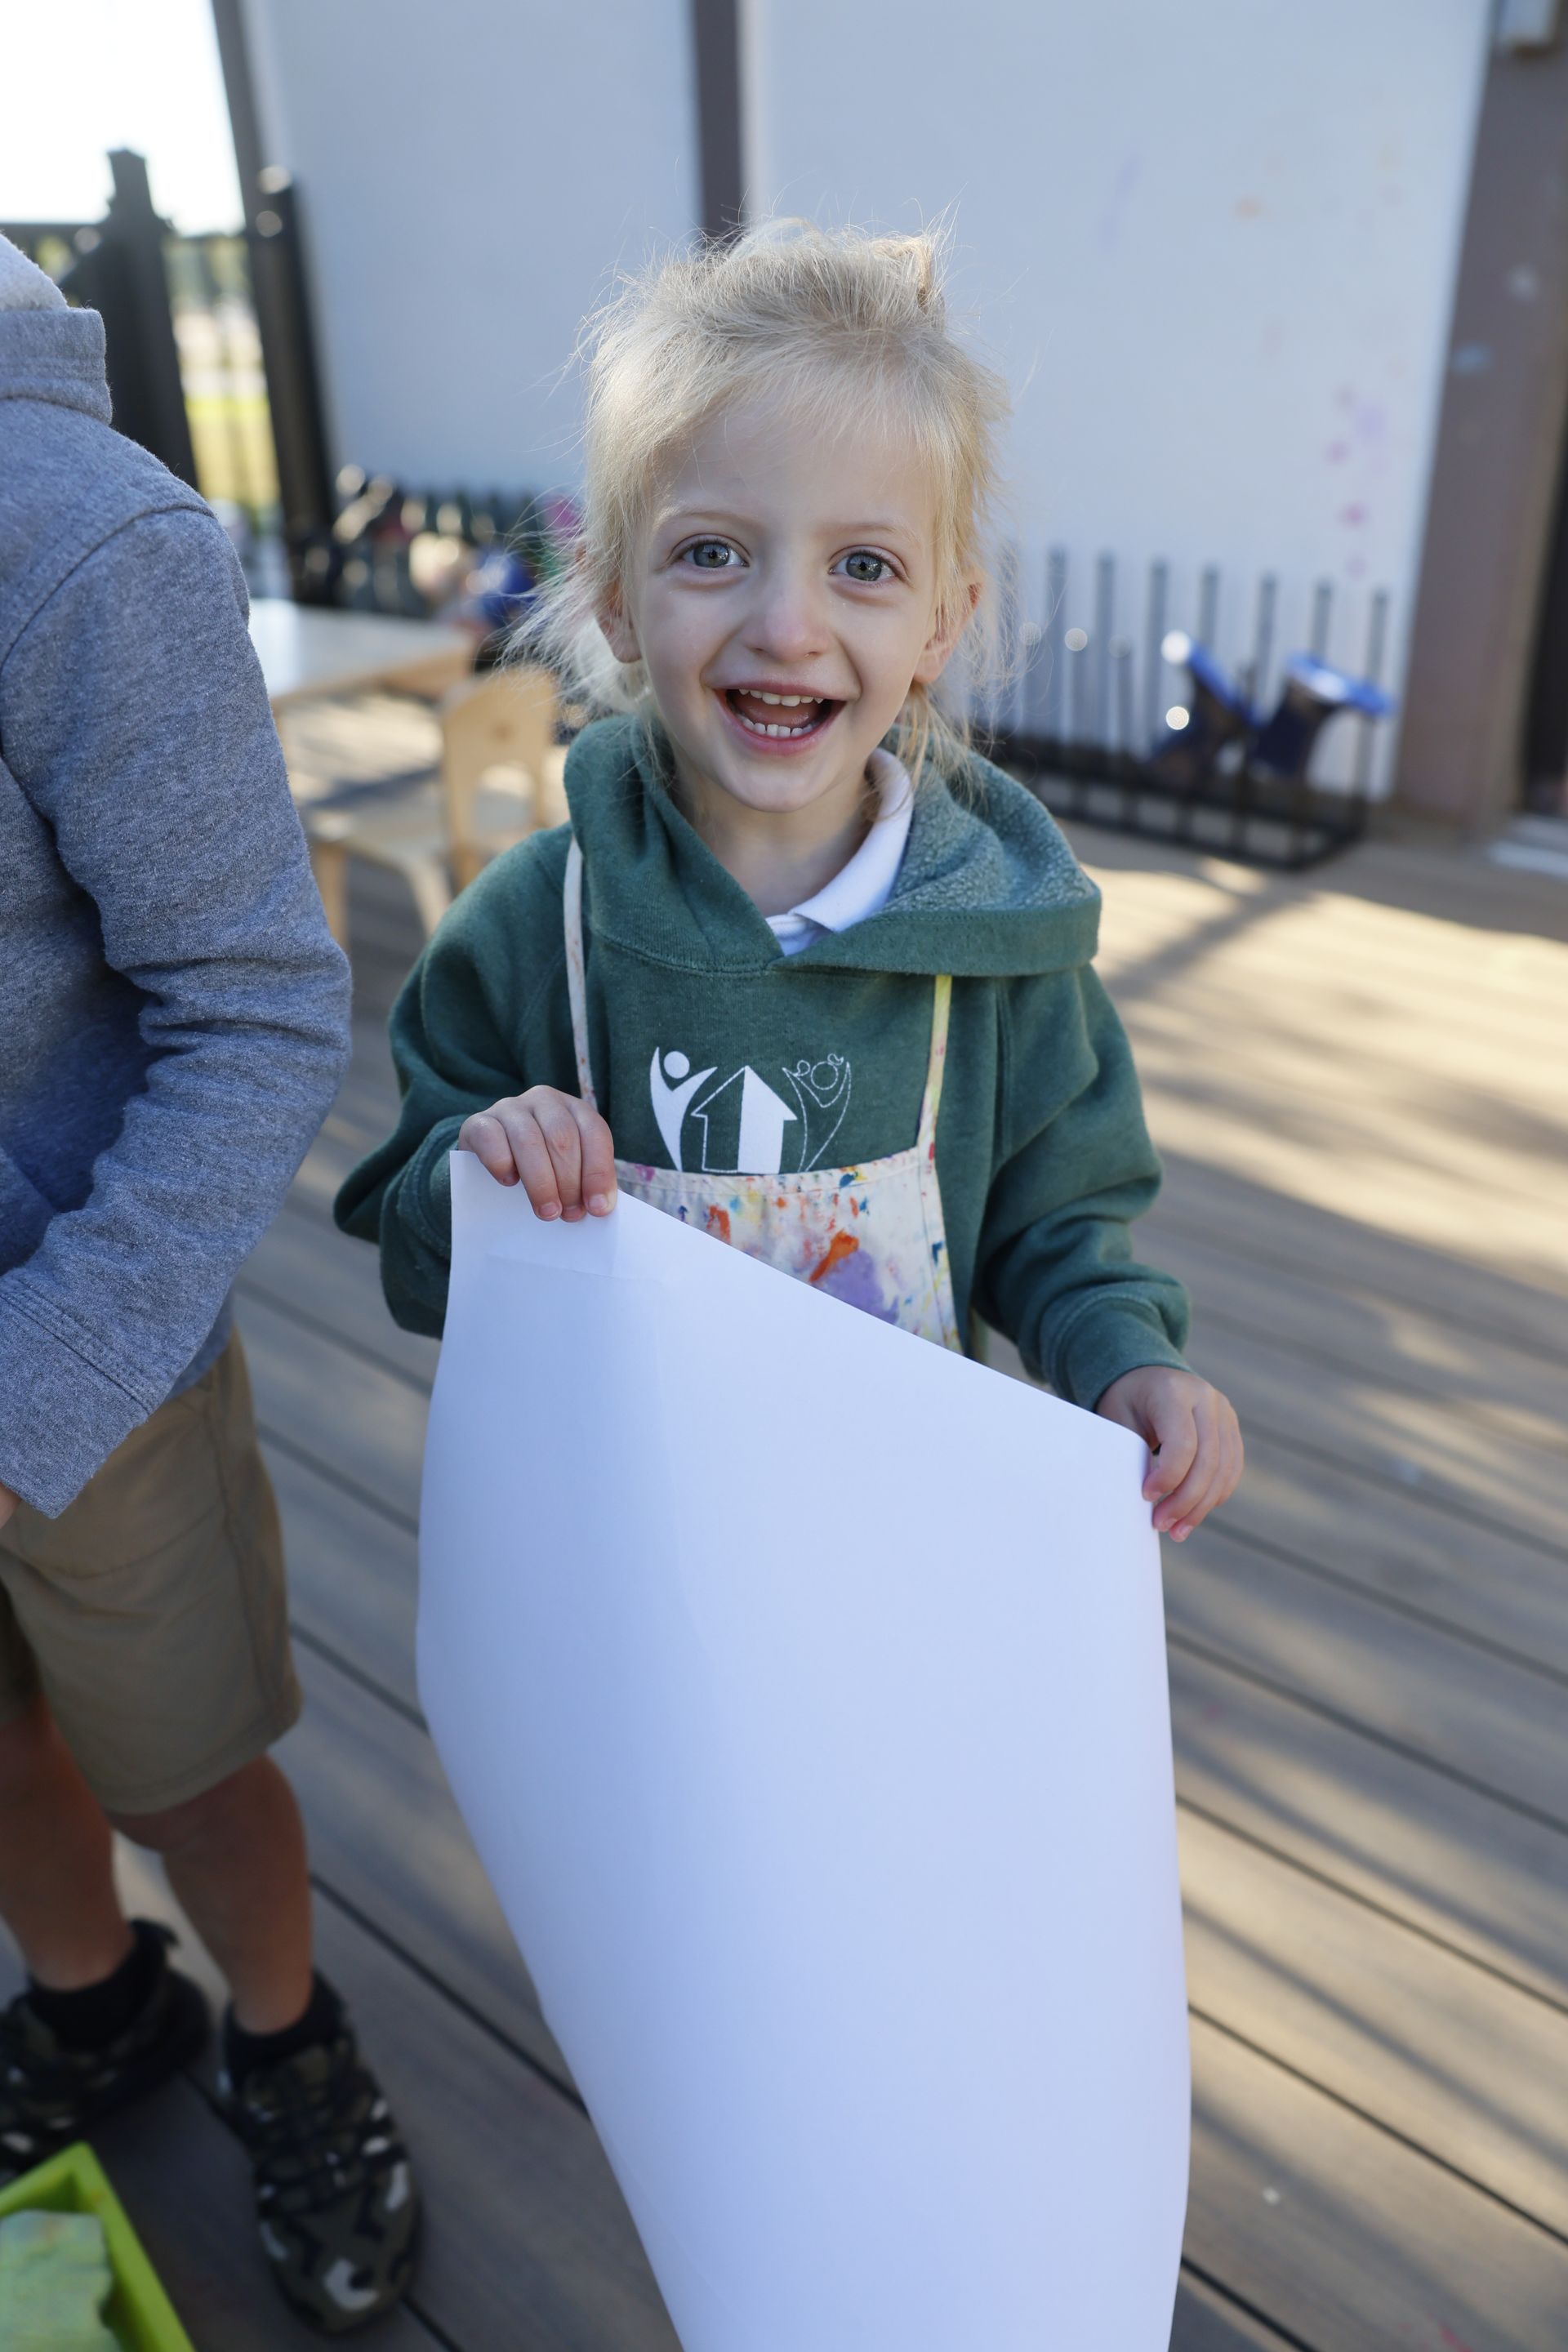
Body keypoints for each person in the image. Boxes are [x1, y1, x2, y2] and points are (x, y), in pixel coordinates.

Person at [336, 220, 1243, 1543]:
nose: (786, 624)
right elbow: (418, 1250)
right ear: (611, 596)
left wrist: (1127, 1355)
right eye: (713, 552)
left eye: (863, 567)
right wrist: (476, 1174)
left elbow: (1063, 1225)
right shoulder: (534, 927)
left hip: (892, 1533)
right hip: (615, 1538)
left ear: (941, 622)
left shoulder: (1005, 948)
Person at [0, 231, 418, 2333]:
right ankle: (94, 2010)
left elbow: (259, 1012)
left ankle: (284, 2039)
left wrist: (33, 1391)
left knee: (176, 1768)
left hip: (86, 1370)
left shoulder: (80, 544)